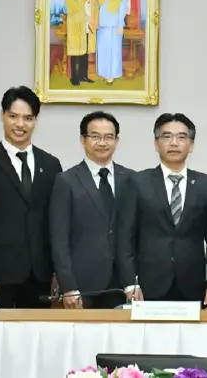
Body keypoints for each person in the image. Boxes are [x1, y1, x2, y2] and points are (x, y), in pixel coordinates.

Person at [0, 87, 63, 308]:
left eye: (28, 118)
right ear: (2, 115)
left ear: (35, 120)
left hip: (42, 277)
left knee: (39, 340)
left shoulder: (51, 165)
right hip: (0, 278)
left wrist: (59, 273)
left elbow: (56, 223)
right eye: (13, 116)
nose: (20, 124)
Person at [116, 113, 207, 307]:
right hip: (148, 285)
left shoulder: (206, 184)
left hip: (193, 284)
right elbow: (126, 238)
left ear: (191, 145)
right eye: (167, 137)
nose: (174, 143)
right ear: (156, 144)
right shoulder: (138, 182)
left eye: (182, 137)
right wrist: (130, 283)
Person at [49, 111, 133, 309]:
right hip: (81, 285)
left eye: (108, 137)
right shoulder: (66, 181)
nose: (102, 143)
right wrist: (68, 286)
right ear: (83, 139)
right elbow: (59, 238)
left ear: (117, 140)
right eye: (95, 136)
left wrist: (133, 281)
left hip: (122, 284)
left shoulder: (131, 179)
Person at [64, 0, 98, 86]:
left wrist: (93, 18)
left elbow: (95, 4)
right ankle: (75, 77)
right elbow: (71, 6)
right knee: (75, 51)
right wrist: (84, 17)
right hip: (77, 22)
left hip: (89, 22)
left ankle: (84, 75)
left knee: (85, 50)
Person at [95, 0, 130, 84]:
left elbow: (122, 11)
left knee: (114, 51)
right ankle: (104, 73)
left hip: (115, 26)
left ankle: (112, 74)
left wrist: (120, 25)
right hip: (101, 25)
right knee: (103, 50)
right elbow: (95, 7)